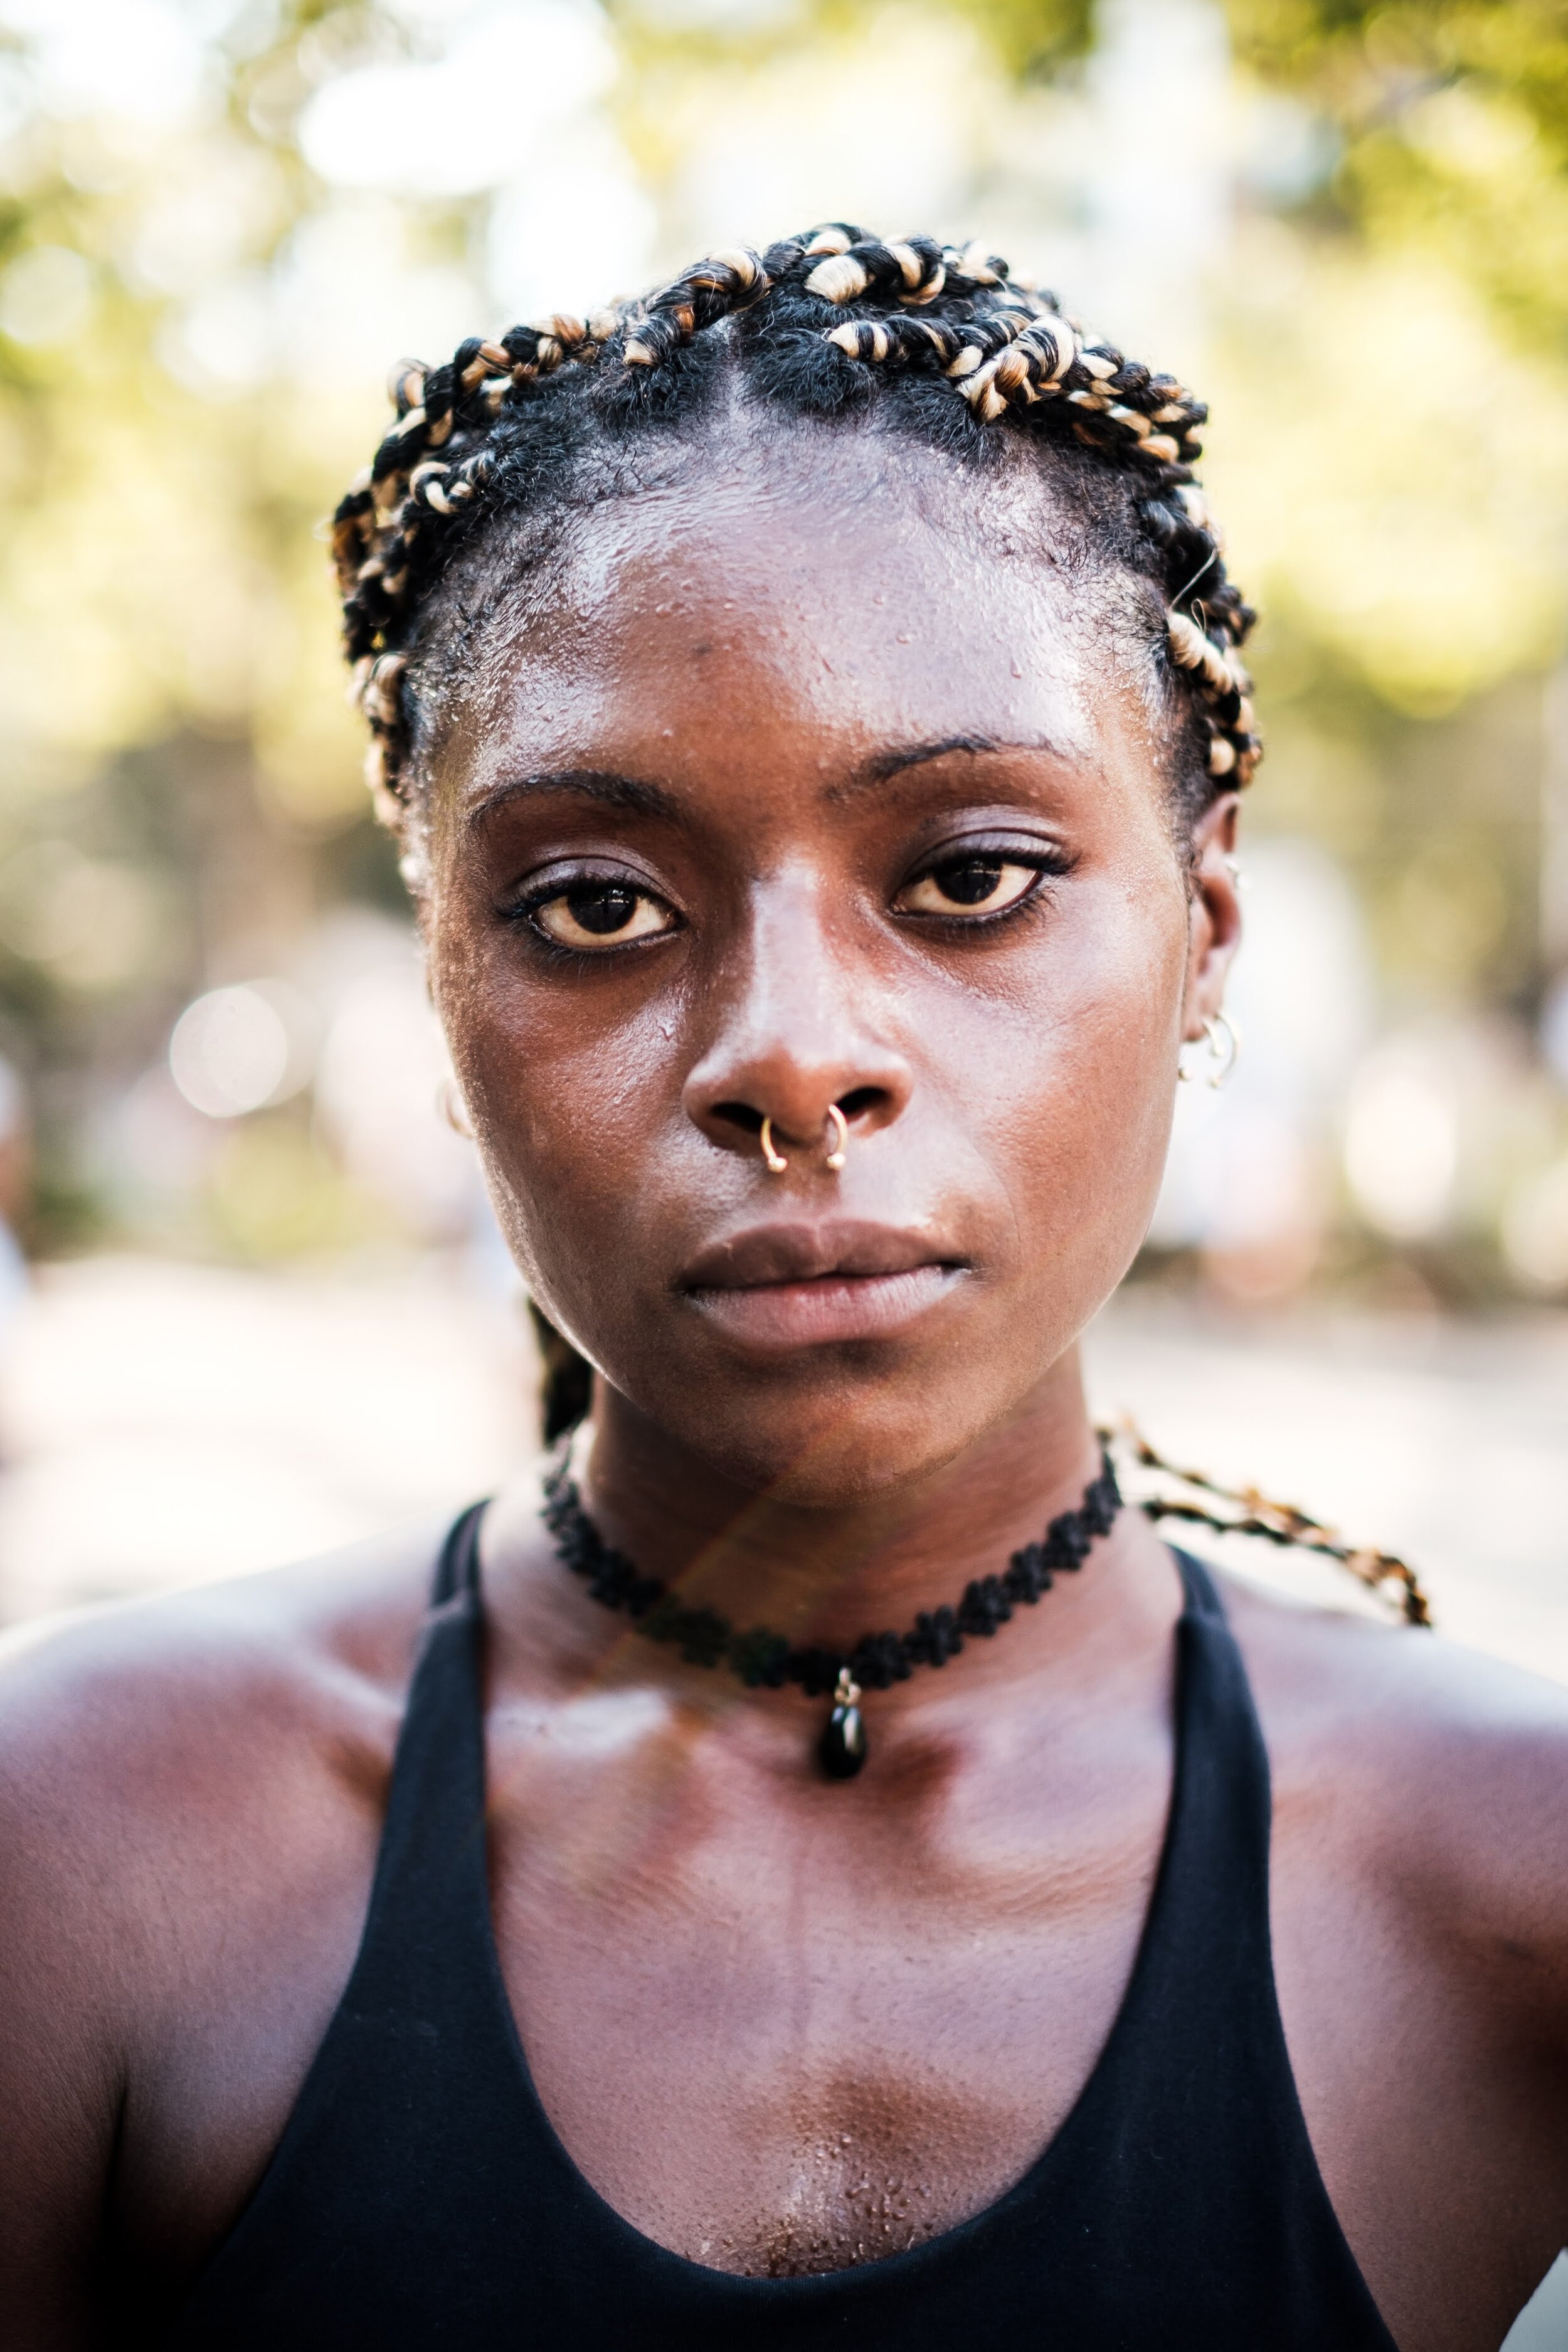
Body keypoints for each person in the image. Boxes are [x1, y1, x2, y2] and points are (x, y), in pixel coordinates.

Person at [0, 226, 1563, 2352]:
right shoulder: (79, 1852)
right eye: (594, 904)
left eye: (969, 879)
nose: (787, 1051)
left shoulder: (1505, 1872)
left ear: (1202, 934)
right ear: (450, 985)